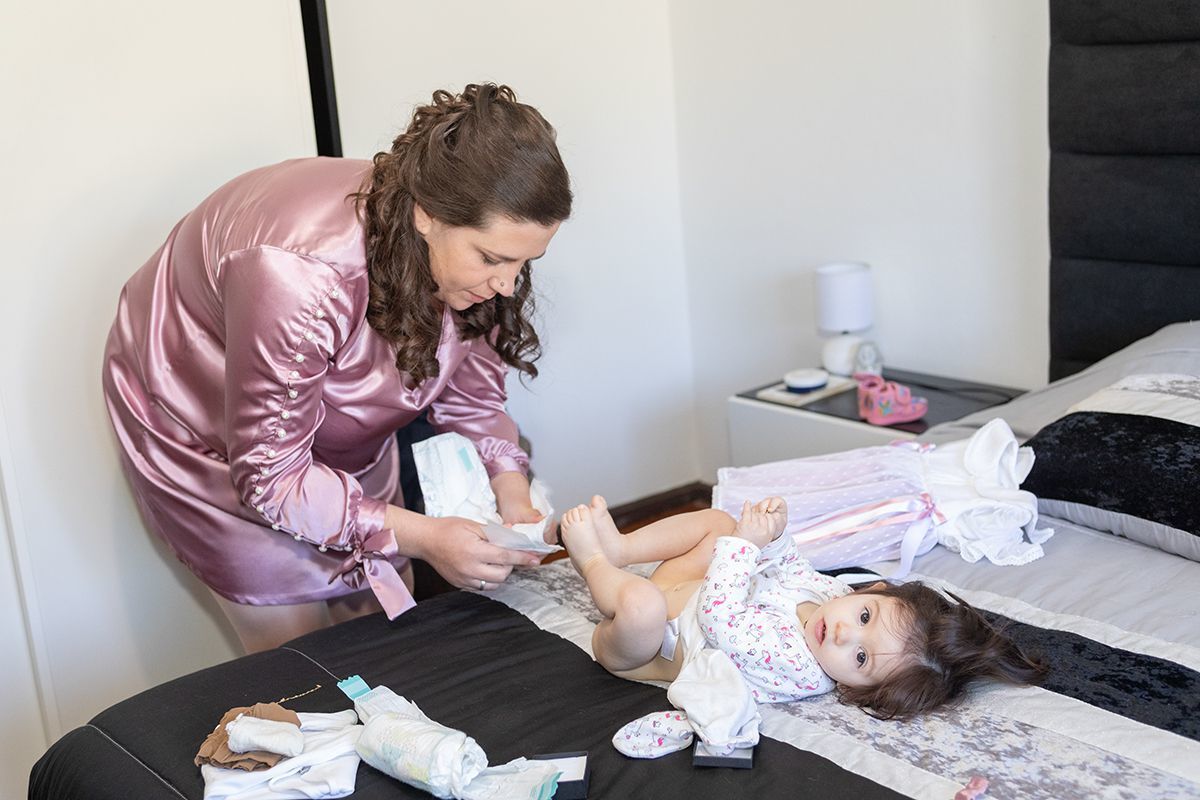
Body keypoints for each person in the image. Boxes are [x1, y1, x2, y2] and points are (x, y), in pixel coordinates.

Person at [102, 83, 572, 653]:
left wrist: (512, 490)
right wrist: (423, 537)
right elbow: (270, 476)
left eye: (526, 262)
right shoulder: (302, 274)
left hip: (334, 424)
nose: (507, 284)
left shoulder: (473, 259)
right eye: (493, 259)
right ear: (427, 216)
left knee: (378, 622)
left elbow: (470, 396)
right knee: (301, 659)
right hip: (205, 427)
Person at [559, 495, 1046, 719]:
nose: (842, 635)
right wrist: (775, 533)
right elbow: (790, 569)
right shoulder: (832, 599)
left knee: (641, 604)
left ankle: (594, 560)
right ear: (873, 591)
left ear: (861, 690)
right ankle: (622, 549)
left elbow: (719, 617)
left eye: (860, 659)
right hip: (685, 588)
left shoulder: (799, 668)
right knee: (719, 520)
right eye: (864, 618)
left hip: (644, 647)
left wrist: (744, 550)